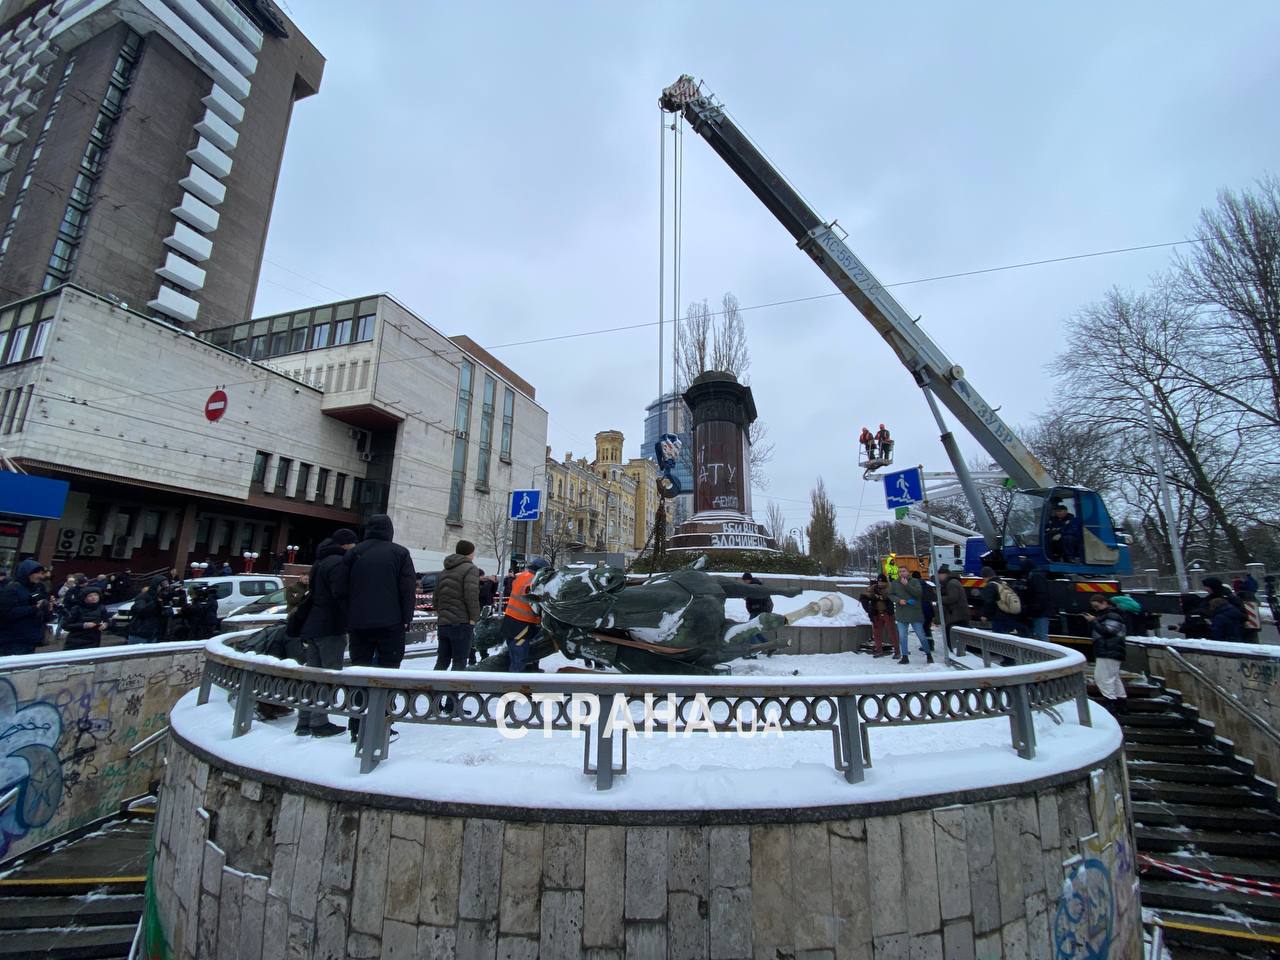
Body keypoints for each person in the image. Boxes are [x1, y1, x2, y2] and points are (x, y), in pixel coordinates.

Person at [344, 515, 416, 739]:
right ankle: (383, 723)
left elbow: (343, 587)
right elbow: (407, 589)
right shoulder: (399, 553)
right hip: (390, 623)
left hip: (358, 623)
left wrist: (349, 615)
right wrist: (406, 618)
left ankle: (356, 724)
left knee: (360, 672)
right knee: (388, 673)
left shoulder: (354, 553)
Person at [295, 528, 357, 737]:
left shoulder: (320, 562)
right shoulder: (338, 563)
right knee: (328, 675)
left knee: (312, 676)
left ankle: (304, 721)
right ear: (346, 544)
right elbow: (340, 594)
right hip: (330, 626)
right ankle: (319, 722)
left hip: (313, 625)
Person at [435, 540, 481, 708]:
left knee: (442, 662)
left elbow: (435, 599)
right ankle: (452, 704)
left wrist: (443, 615)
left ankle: (435, 701)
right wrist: (474, 618)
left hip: (444, 623)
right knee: (459, 663)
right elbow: (471, 596)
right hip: (461, 623)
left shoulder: (444, 570)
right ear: (470, 553)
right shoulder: (470, 569)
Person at [502, 557, 547, 672]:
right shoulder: (535, 582)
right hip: (522, 624)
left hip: (510, 620)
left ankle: (530, 671)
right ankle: (515, 680)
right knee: (519, 656)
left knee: (518, 652)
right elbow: (538, 603)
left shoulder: (521, 576)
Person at [0, 559, 51, 656]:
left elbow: (43, 615)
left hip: (30, 639)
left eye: (41, 573)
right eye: (37, 573)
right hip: (13, 640)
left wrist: (47, 608)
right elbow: (7, 613)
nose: (40, 576)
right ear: (27, 573)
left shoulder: (37, 588)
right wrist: (34, 608)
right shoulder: (12, 589)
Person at [1085, 595, 1126, 704]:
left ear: (1105, 603)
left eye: (1097, 606)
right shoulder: (1111, 614)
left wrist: (1093, 621)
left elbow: (1108, 631)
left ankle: (1111, 703)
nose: (1095, 609)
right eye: (1093, 607)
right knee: (1114, 679)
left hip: (1108, 649)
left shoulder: (1112, 615)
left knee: (1102, 678)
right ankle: (1120, 703)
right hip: (1112, 649)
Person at [889, 567, 932, 664]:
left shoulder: (915, 581)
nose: (901, 573)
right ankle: (905, 656)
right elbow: (890, 594)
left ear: (908, 572)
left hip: (914, 613)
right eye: (900, 572)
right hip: (901, 613)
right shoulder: (895, 583)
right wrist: (898, 600)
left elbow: (918, 594)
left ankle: (928, 654)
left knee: (921, 635)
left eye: (903, 571)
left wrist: (907, 585)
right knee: (902, 636)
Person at [62, 584, 109, 650]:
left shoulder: (102, 608)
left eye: (96, 595)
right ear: (84, 598)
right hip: (75, 640)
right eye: (90, 596)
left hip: (94, 640)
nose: (94, 597)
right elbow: (65, 625)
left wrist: (105, 625)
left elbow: (106, 621)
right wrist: (84, 625)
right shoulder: (76, 609)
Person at [937, 565, 970, 655]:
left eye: (939, 575)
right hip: (957, 615)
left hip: (956, 616)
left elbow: (952, 598)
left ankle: (956, 654)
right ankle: (958, 653)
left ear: (944, 574)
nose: (938, 577)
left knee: (952, 637)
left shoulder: (952, 583)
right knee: (957, 637)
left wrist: (940, 598)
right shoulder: (952, 582)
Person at [978, 566, 1020, 636]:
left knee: (999, 637)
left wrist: (984, 615)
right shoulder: (1003, 583)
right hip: (1009, 614)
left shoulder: (990, 586)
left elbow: (989, 602)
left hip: (998, 617)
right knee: (1009, 637)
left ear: (985, 577)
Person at [861, 574, 895, 657]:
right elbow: (866, 596)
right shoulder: (874, 587)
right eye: (879, 582)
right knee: (877, 633)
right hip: (876, 613)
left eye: (882, 582)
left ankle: (898, 651)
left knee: (892, 632)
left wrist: (879, 596)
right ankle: (879, 650)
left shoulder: (889, 588)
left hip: (887, 613)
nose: (880, 583)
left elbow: (888, 596)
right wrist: (871, 595)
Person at [128, 576, 169, 644]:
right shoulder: (143, 596)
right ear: (156, 585)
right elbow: (141, 610)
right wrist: (155, 602)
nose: (165, 587)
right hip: (140, 634)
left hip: (154, 634)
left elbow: (166, 614)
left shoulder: (162, 598)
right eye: (162, 584)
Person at [1021, 560, 1052, 643]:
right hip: (1039, 612)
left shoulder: (1035, 577)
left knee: (1041, 637)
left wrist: (1032, 609)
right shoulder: (1037, 576)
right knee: (1040, 636)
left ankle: (1045, 651)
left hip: (1040, 613)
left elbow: (1040, 596)